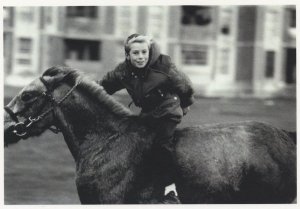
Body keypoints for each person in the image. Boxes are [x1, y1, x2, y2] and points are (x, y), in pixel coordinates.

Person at [98, 33, 194, 177]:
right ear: (128, 55)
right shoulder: (123, 71)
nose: (141, 57)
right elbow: (104, 86)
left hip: (168, 110)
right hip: (148, 113)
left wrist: (185, 105)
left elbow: (185, 86)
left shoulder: (164, 66)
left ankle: (170, 188)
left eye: (144, 52)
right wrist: (84, 90)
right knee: (135, 142)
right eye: (135, 53)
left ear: (149, 51)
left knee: (161, 145)